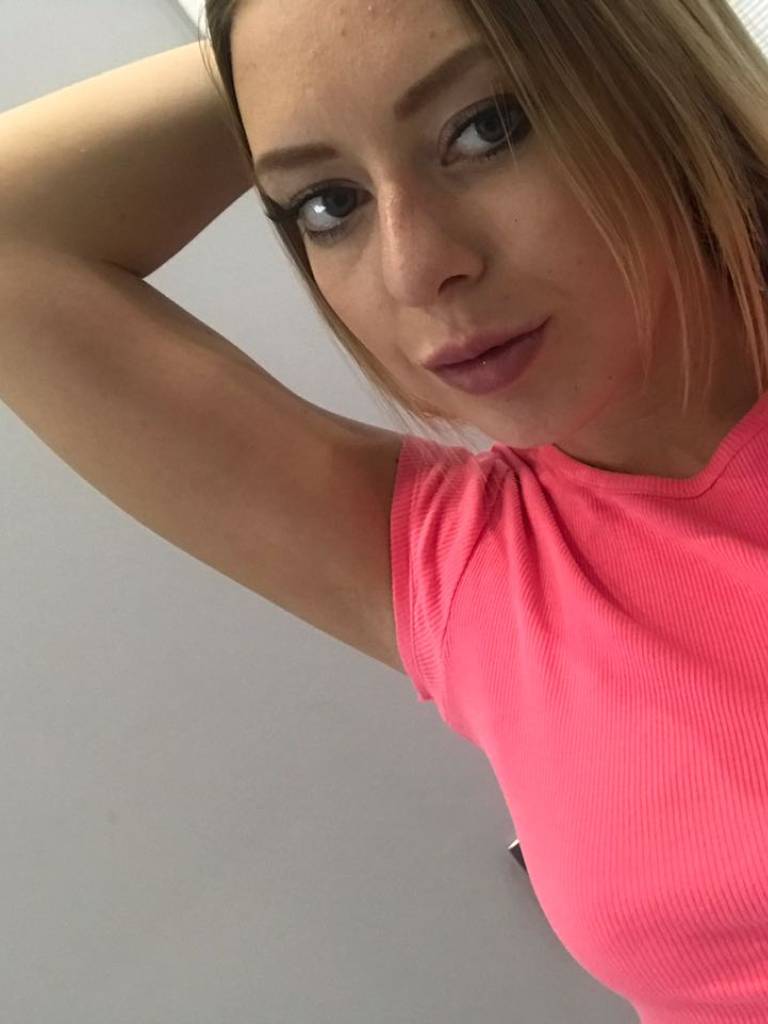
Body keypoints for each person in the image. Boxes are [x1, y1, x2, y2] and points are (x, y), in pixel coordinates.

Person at [1, 0, 767, 1019]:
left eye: (486, 128)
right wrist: (280, 49)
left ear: (646, 71)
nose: (415, 267)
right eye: (328, 203)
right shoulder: (472, 574)